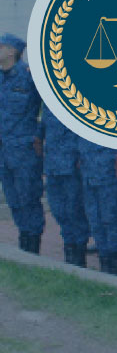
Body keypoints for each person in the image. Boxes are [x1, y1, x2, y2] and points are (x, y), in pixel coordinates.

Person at [0, 33, 44, 254]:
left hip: (25, 151)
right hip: (4, 152)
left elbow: (49, 110)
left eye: (1, 46)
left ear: (12, 51)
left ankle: (32, 247)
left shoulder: (29, 76)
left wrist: (39, 136)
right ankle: (23, 240)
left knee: (29, 199)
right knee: (14, 200)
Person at [41, 106, 89, 266]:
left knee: (75, 210)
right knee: (58, 210)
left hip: (71, 165)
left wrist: (81, 156)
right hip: (53, 165)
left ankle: (79, 255)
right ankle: (69, 248)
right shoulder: (50, 103)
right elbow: (43, 128)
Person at [77, 139, 117, 276]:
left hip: (109, 170)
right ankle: (104, 263)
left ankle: (116, 269)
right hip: (89, 170)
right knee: (95, 221)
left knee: (111, 220)